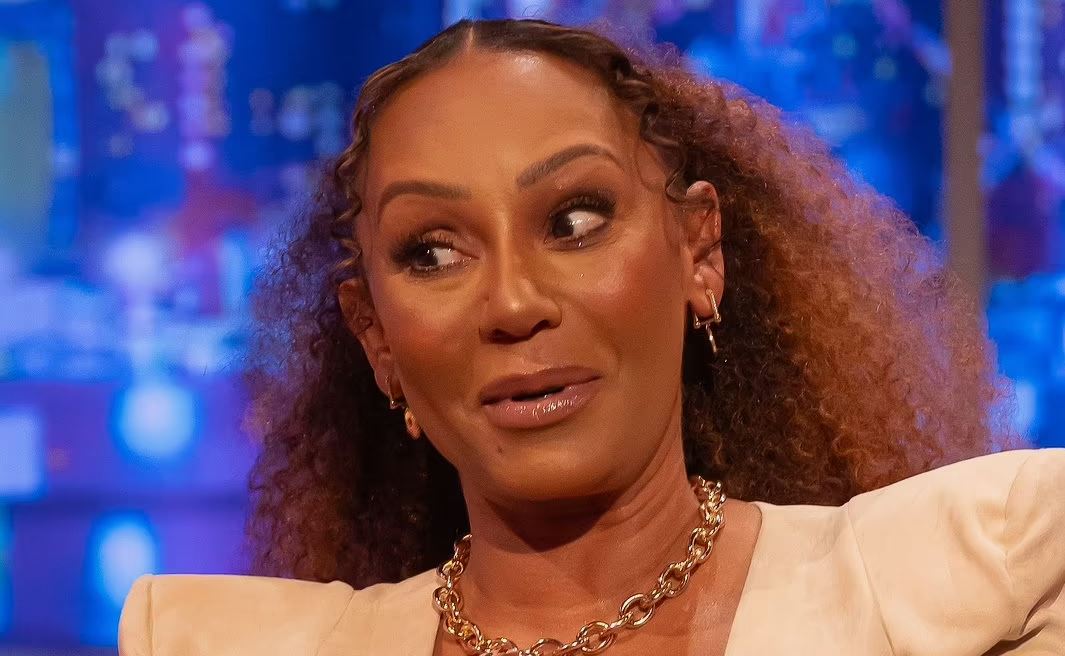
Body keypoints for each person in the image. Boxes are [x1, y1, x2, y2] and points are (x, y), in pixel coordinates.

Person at [118, 18, 1065, 656]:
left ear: (698, 254)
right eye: (433, 252)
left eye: (573, 220)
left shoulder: (973, 580)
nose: (512, 302)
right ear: (376, 339)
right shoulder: (216, 641)